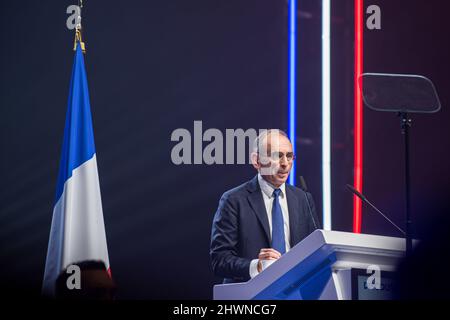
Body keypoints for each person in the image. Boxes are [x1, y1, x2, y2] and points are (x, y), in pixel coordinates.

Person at [210, 129, 320, 283]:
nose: (285, 164)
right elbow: (219, 259)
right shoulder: (233, 200)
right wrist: (257, 266)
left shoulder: (303, 199)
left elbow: (315, 251)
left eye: (289, 156)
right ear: (257, 161)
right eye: (277, 156)